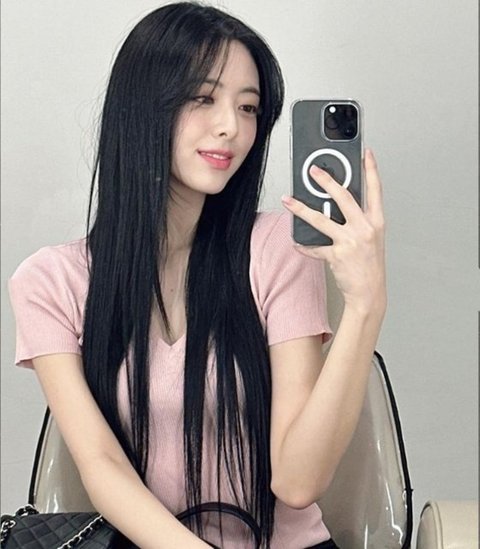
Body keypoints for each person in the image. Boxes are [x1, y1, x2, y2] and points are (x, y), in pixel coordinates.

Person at [8, 2, 386, 548]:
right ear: (142, 106)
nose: (231, 126)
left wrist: (366, 306)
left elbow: (297, 481)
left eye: (249, 107)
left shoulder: (277, 250)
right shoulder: (51, 281)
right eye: (203, 98)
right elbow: (101, 464)